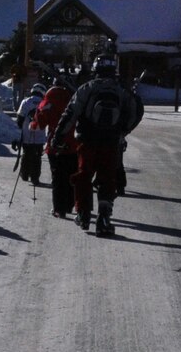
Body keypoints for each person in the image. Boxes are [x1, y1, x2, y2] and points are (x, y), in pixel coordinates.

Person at [57, 56, 144, 236]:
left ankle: (83, 214)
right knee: (107, 178)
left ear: (96, 69)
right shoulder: (122, 90)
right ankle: (104, 219)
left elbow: (71, 112)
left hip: (87, 139)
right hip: (111, 141)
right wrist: (123, 131)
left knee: (84, 174)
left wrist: (59, 136)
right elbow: (136, 111)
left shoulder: (87, 88)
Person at [35, 81, 77, 217]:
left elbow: (41, 123)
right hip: (73, 143)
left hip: (55, 144)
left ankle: (59, 208)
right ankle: (70, 204)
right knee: (71, 174)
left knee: (58, 177)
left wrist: (37, 113)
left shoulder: (49, 99)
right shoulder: (74, 97)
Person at [14, 83, 47, 186]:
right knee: (37, 157)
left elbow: (20, 119)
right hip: (39, 136)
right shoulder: (44, 103)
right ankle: (35, 177)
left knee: (27, 154)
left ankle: (24, 174)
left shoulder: (25, 101)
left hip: (27, 135)